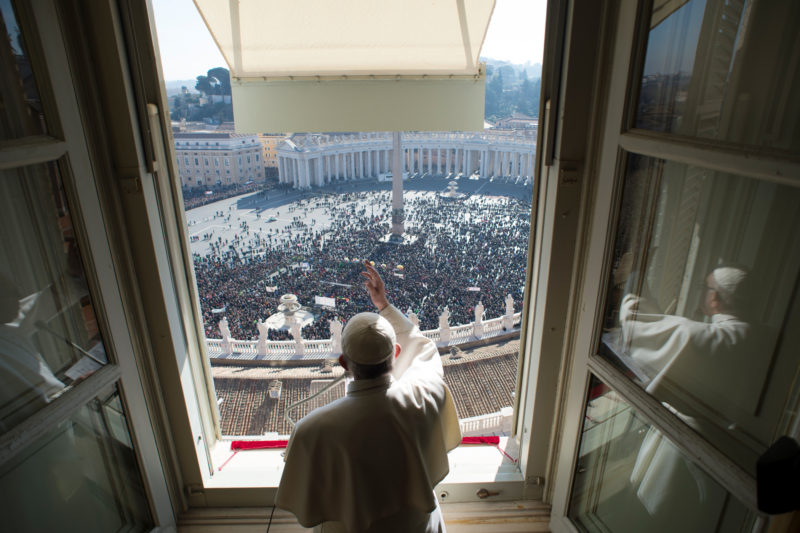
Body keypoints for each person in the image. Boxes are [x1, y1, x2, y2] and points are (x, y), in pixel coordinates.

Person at [276, 262, 462, 532]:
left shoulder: (310, 431)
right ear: (396, 352)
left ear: (344, 363)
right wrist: (383, 305)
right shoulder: (428, 393)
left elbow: (305, 505)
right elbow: (422, 346)